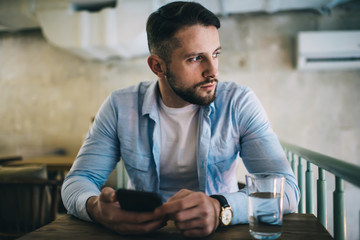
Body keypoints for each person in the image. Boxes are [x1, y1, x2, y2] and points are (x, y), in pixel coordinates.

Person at [61, 1, 300, 238]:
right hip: (145, 234)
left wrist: (220, 208)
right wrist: (96, 208)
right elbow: (79, 180)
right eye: (196, 58)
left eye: (215, 54)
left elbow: (287, 189)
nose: (213, 71)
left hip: (220, 233)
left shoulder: (239, 103)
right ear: (157, 66)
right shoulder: (119, 107)